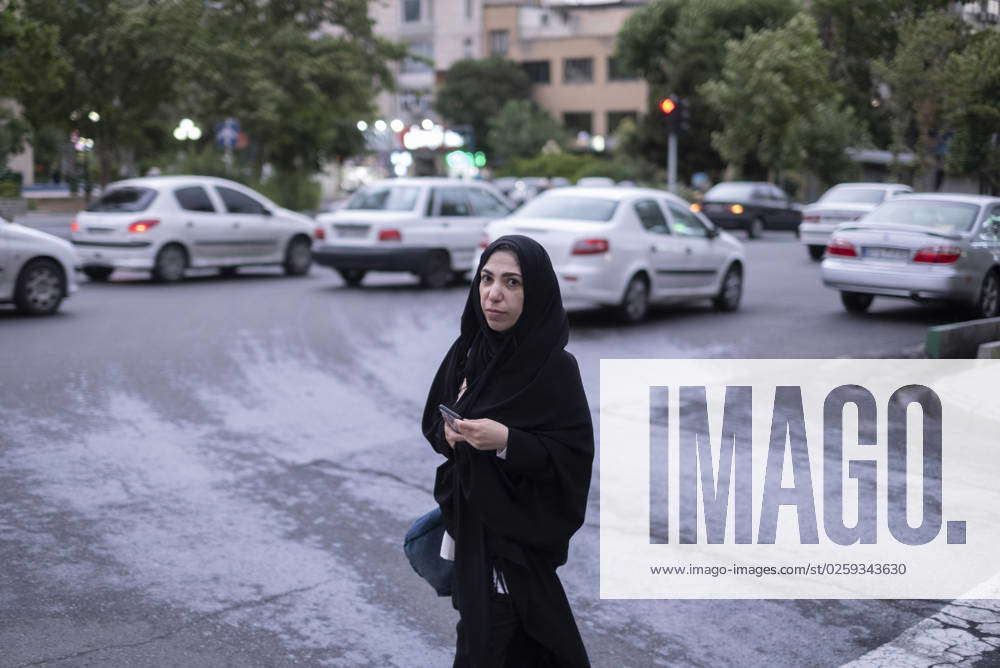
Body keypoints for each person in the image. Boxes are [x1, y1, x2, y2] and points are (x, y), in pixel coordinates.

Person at [421, 235, 594, 667]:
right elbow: (432, 424)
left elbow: (572, 457)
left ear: (534, 292)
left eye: (512, 283)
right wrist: (452, 435)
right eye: (487, 279)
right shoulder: (468, 351)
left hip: (517, 543)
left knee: (488, 646)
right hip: (472, 532)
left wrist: (507, 443)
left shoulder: (554, 368)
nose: (493, 294)